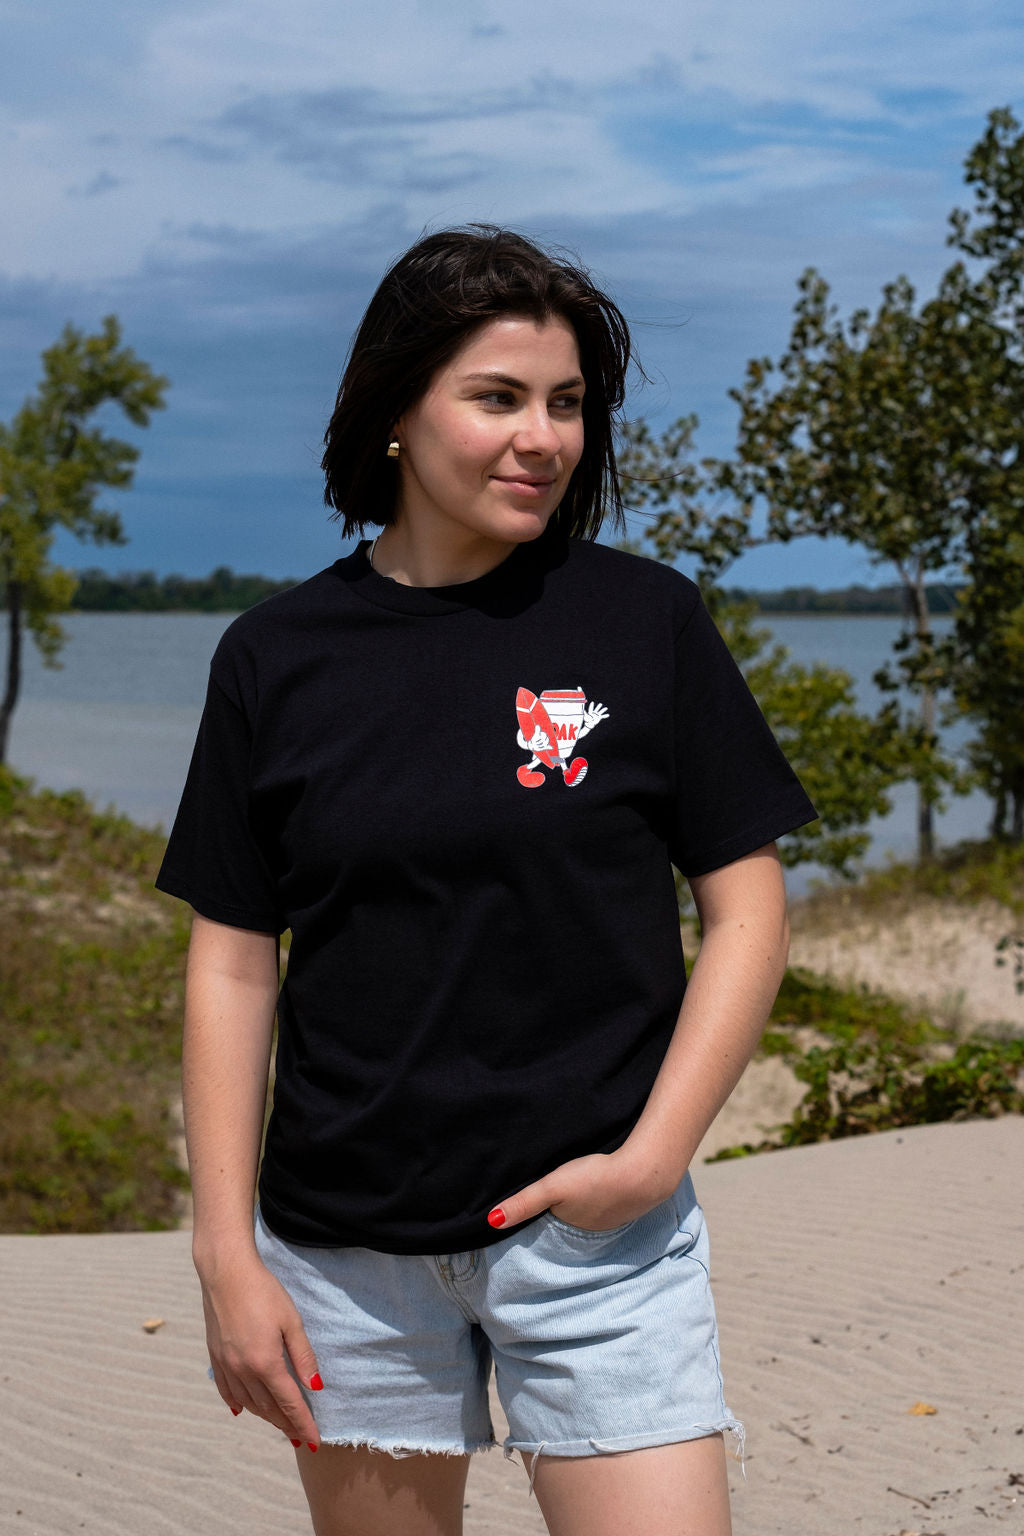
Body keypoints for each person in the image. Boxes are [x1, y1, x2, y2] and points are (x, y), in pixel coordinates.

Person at [156, 226, 815, 1536]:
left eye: (567, 403)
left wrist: (650, 1161)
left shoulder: (645, 622)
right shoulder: (275, 657)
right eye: (498, 397)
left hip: (599, 1243)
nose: (543, 438)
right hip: (346, 1256)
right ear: (398, 412)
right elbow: (234, 963)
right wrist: (225, 1254)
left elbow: (748, 911)